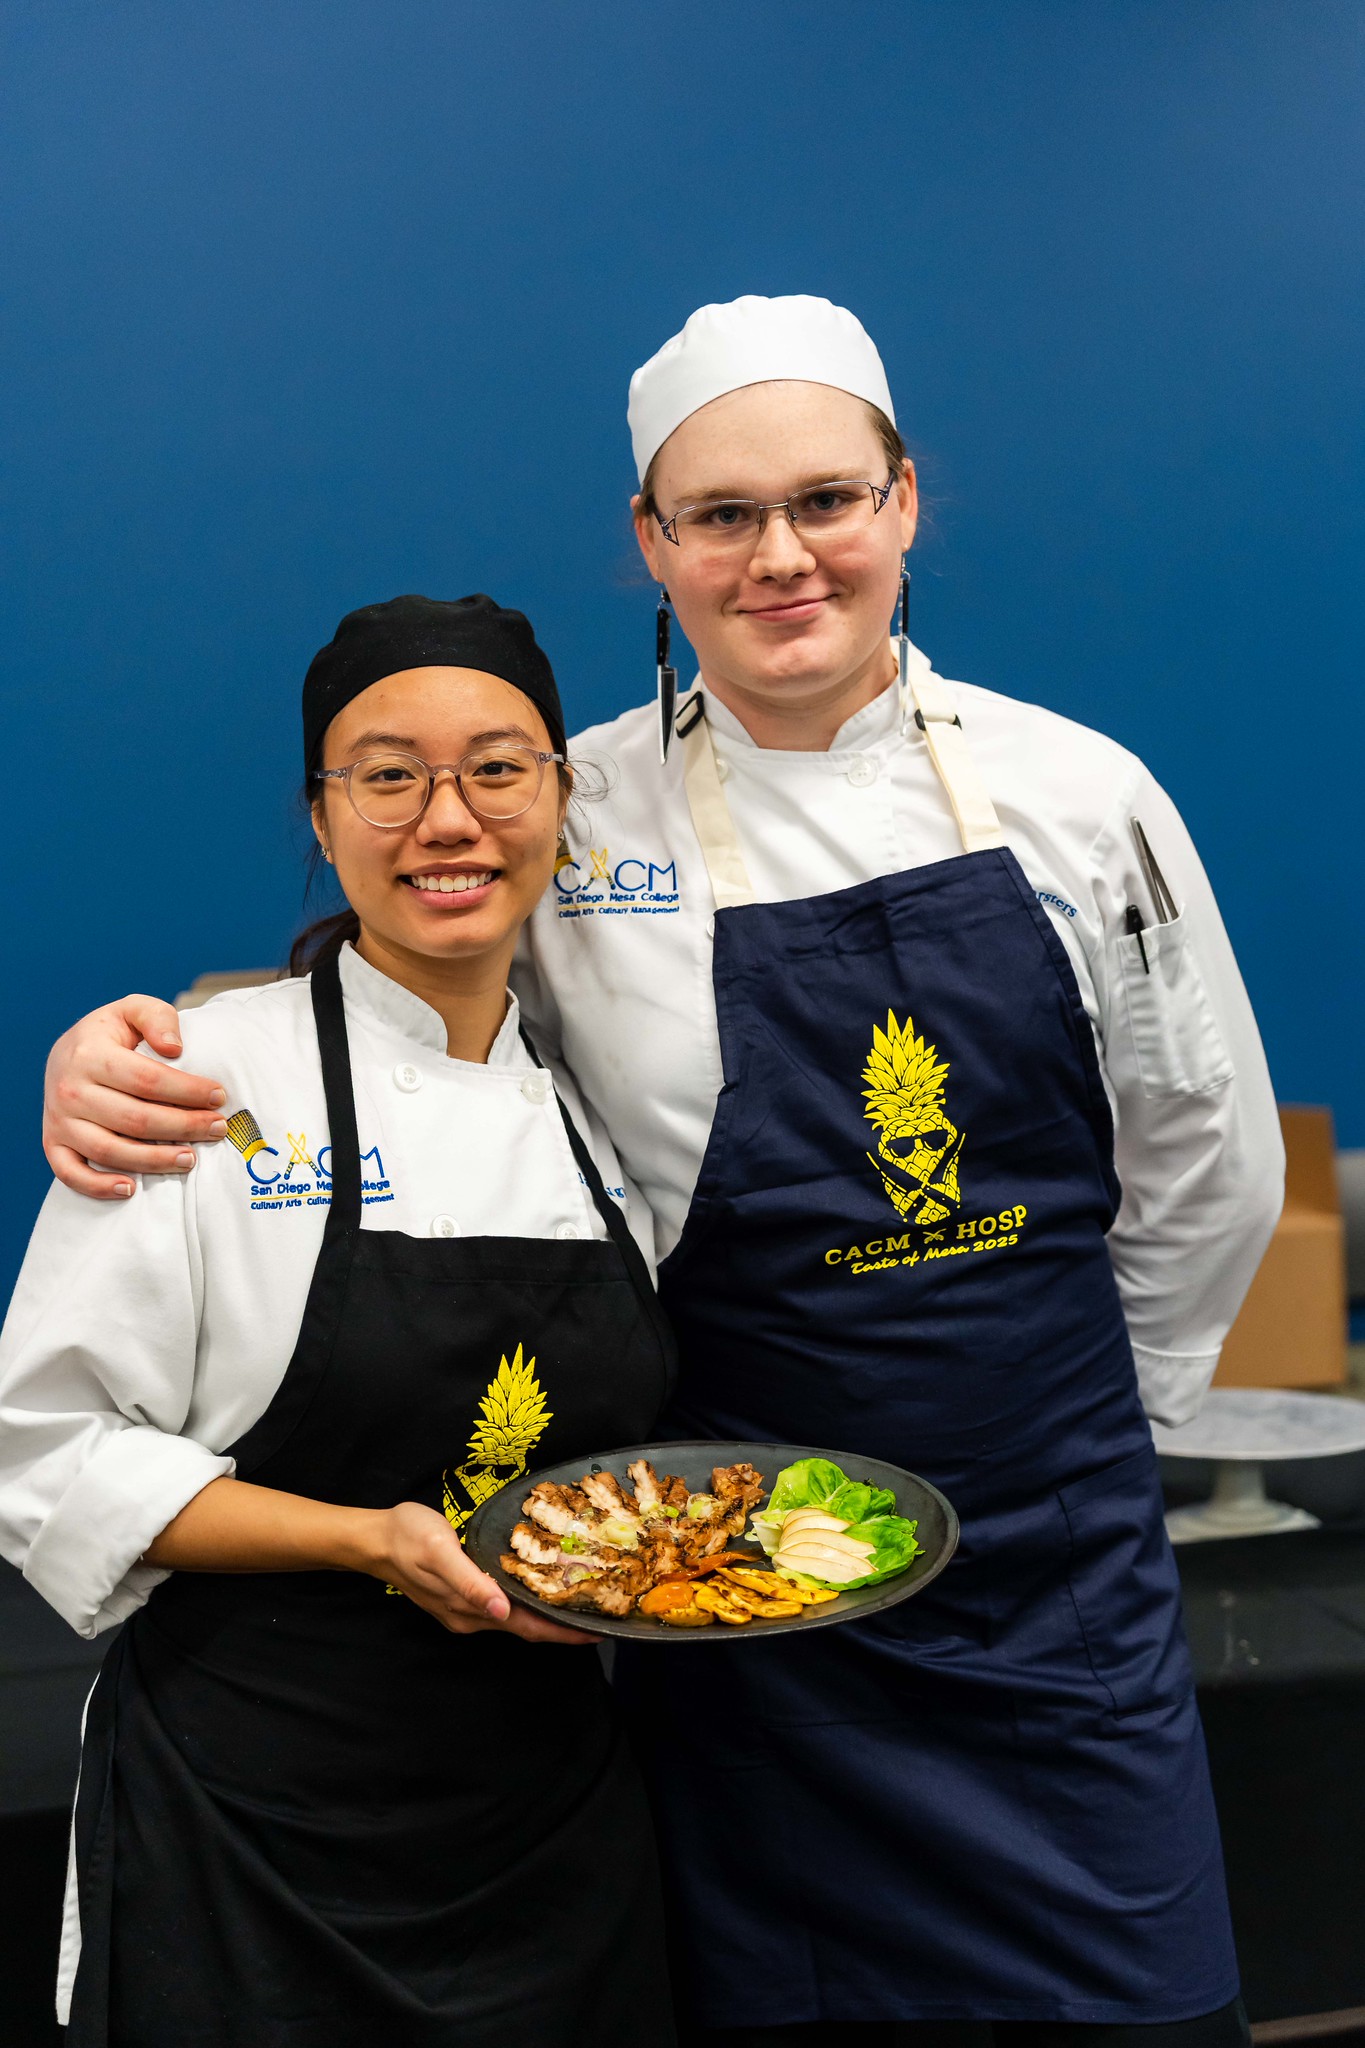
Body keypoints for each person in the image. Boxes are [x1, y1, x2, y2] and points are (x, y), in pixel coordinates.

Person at [40, 298, 1283, 2047]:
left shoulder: (1080, 795)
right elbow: (394, 976)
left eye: (825, 502)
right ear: (654, 544)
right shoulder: (579, 804)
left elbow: (1204, 1154)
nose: (780, 558)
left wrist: (1087, 1437)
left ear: (904, 505)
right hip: (729, 1581)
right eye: (720, 517)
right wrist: (144, 1038)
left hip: (1047, 1576)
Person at [1, 593, 676, 2047]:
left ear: (562, 796)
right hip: (254, 1829)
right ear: (321, 816)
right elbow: (41, 1448)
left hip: (547, 1820)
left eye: (499, 769)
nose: (450, 820)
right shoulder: (199, 1087)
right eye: (387, 775)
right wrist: (359, 1538)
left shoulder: (609, 1109)